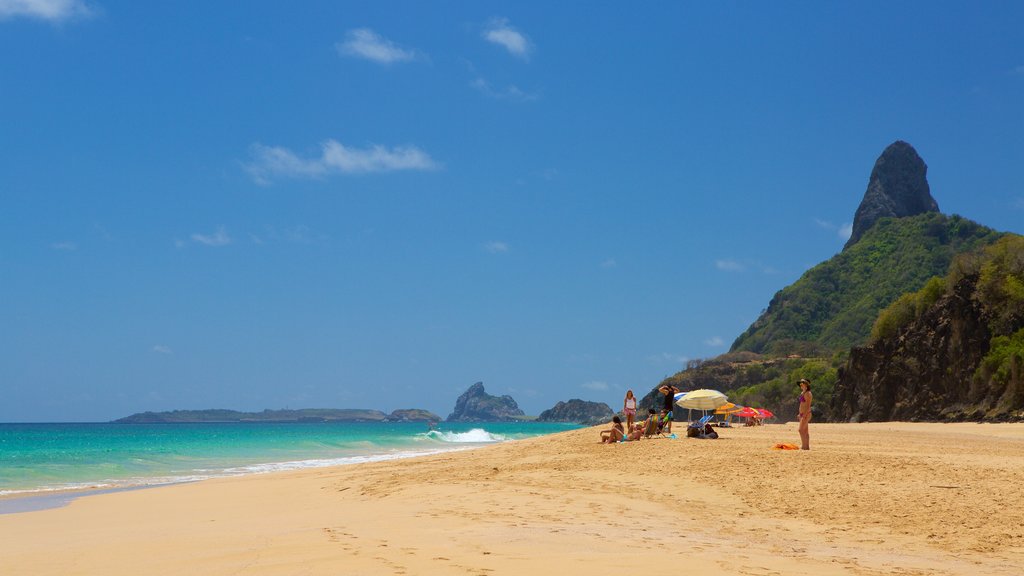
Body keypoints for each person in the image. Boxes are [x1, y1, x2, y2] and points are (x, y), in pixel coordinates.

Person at [797, 378, 812, 450]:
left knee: (800, 430)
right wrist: (800, 413)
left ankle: (803, 446)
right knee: (805, 430)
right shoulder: (802, 393)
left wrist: (805, 414)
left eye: (802, 384)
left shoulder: (808, 393)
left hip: (806, 413)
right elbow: (801, 404)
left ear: (806, 385)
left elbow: (808, 405)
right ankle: (807, 446)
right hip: (802, 413)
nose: (801, 385)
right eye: (800, 384)